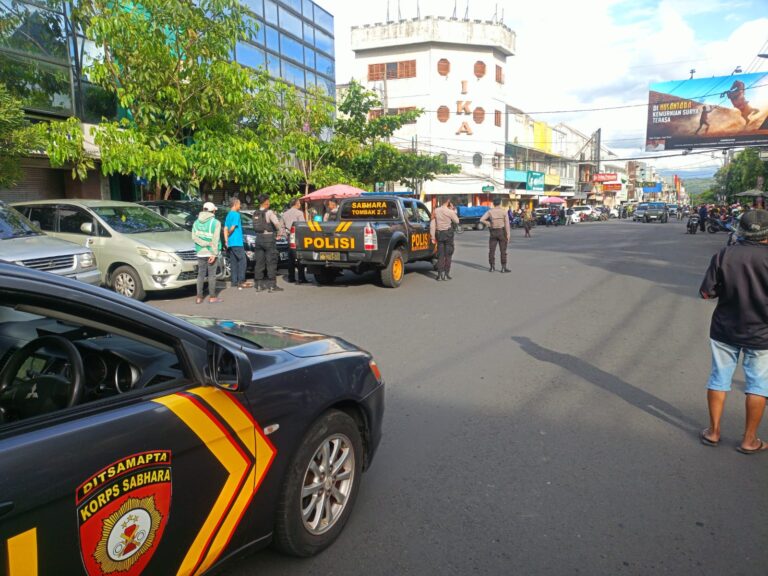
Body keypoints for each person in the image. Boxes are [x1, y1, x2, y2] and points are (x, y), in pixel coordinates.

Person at [699, 210, 768, 454]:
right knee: (758, 385)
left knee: (719, 378)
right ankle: (750, 440)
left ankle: (714, 432)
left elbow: (707, 292)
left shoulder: (724, 255)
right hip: (762, 334)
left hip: (725, 329)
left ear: (741, 230)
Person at [251, 194, 285, 293]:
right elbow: (277, 224)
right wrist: (279, 233)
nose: (269, 203)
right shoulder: (269, 212)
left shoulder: (255, 212)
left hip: (258, 239)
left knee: (259, 262)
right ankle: (272, 286)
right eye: (268, 201)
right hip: (269, 238)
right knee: (271, 262)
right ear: (266, 202)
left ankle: (258, 285)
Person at [192, 202, 223, 304]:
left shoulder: (196, 222)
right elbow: (215, 239)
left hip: (200, 252)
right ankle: (212, 297)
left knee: (200, 275)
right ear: (213, 211)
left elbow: (194, 237)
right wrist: (213, 253)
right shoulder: (216, 223)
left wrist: (203, 243)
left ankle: (199, 297)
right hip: (211, 252)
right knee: (211, 275)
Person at [223, 197, 251, 290]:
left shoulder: (228, 215)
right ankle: (241, 281)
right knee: (243, 261)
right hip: (237, 242)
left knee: (234, 262)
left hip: (231, 242)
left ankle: (234, 281)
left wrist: (226, 240)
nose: (240, 205)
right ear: (235, 204)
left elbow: (225, 228)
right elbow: (232, 227)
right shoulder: (236, 214)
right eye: (239, 204)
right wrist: (228, 234)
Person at [429, 198, 459, 281]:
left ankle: (439, 274)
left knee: (440, 255)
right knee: (448, 255)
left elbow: (432, 224)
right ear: (448, 202)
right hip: (448, 234)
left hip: (439, 234)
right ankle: (446, 274)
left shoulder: (436, 211)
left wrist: (432, 237)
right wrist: (452, 209)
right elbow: (457, 221)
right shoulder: (450, 212)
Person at [479, 198, 511, 273]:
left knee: (492, 250)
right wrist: (508, 234)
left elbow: (481, 219)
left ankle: (492, 267)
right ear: (500, 203)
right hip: (502, 232)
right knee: (503, 250)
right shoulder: (504, 211)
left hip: (493, 232)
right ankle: (503, 268)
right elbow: (507, 224)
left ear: (493, 204)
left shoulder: (490, 211)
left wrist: (489, 224)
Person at [281, 196, 307, 284]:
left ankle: (291, 277)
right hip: (298, 237)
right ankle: (301, 277)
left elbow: (281, 227)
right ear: (296, 204)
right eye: (299, 203)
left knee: (291, 258)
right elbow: (303, 226)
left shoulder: (285, 214)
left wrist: (285, 235)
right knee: (300, 257)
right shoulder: (299, 213)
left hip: (289, 237)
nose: (300, 204)